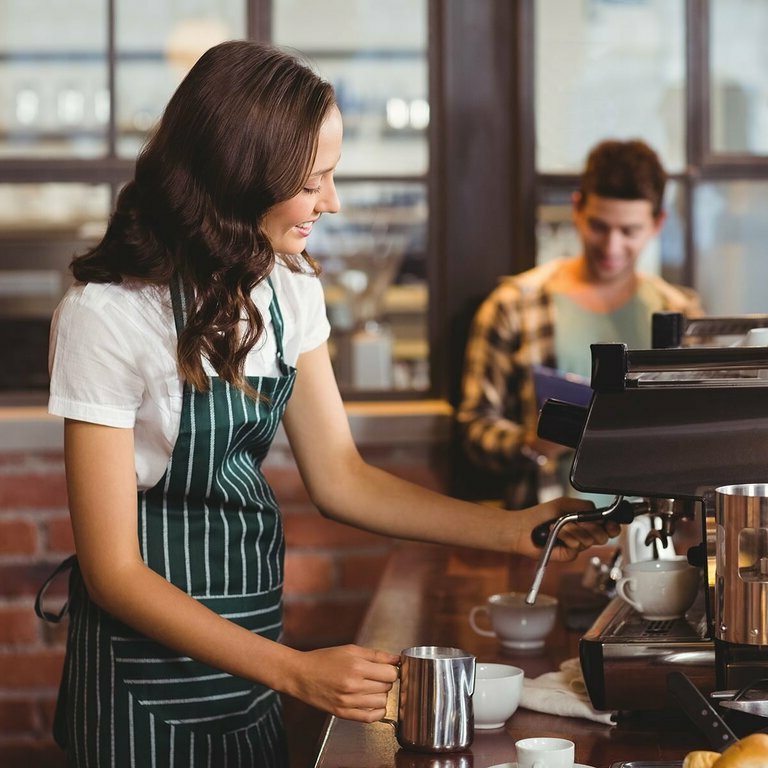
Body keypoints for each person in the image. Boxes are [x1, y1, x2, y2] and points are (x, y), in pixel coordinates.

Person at [38, 41, 618, 767]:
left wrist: (513, 532)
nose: (333, 203)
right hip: (145, 683)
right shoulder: (107, 318)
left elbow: (341, 477)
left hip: (248, 665)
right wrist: (298, 670)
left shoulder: (285, 289)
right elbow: (112, 572)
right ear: (241, 177)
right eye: (314, 182)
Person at [457, 139, 703, 510]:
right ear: (577, 210)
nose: (612, 246)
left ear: (657, 224)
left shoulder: (682, 313)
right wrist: (533, 442)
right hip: (551, 521)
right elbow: (475, 428)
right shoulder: (514, 306)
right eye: (599, 226)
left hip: (656, 527)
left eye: (629, 231)